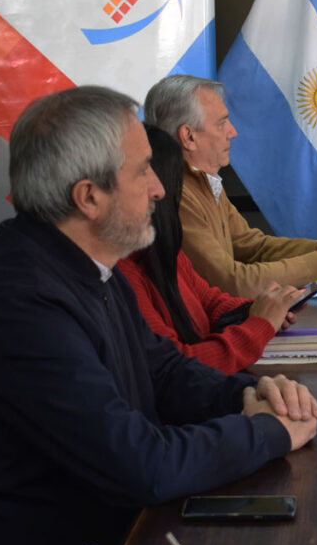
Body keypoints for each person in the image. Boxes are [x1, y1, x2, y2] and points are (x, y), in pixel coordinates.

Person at [0, 86, 317, 545]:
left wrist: (246, 394)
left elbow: (161, 370)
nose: (161, 188)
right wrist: (269, 433)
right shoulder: (16, 299)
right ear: (89, 197)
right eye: (143, 170)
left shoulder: (89, 265)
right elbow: (139, 464)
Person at [144, 74, 317, 298]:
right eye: (222, 123)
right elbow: (234, 282)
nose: (233, 132)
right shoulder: (175, 194)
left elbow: (253, 247)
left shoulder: (202, 181)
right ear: (188, 137)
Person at [119, 124, 301, 374]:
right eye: (221, 122)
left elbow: (210, 301)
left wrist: (253, 311)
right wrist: (258, 325)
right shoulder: (125, 270)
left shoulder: (163, 247)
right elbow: (178, 370)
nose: (233, 131)